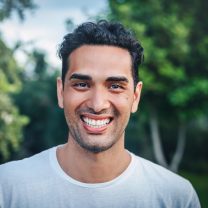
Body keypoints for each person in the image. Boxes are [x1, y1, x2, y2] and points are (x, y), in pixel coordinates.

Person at [0, 20, 200, 208]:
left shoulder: (177, 197)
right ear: (61, 93)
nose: (97, 105)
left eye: (115, 86)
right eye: (81, 84)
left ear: (136, 96)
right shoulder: (7, 188)